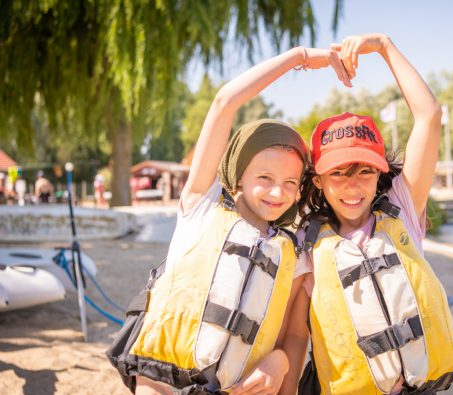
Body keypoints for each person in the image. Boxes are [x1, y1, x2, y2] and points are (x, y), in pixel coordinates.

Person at [105, 45, 351, 395]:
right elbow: (224, 103)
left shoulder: (292, 253)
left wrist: (279, 364)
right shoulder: (200, 206)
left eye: (289, 183)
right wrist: (297, 58)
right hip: (162, 382)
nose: (277, 193)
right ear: (238, 174)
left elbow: (294, 335)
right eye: (264, 178)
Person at [294, 34, 453, 394]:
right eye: (338, 173)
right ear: (319, 181)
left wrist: (385, 47)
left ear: (381, 175)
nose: (352, 186)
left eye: (365, 172)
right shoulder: (305, 244)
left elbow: (429, 115)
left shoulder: (403, 206)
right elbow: (294, 334)